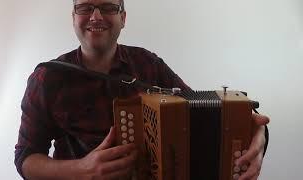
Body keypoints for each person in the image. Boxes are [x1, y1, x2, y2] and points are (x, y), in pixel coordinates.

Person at [14, 0, 270, 179]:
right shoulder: (48, 78)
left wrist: (257, 135)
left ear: (123, 18)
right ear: (73, 18)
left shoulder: (148, 64)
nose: (95, 16)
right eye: (84, 7)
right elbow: (25, 158)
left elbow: (203, 113)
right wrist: (82, 170)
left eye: (108, 7)